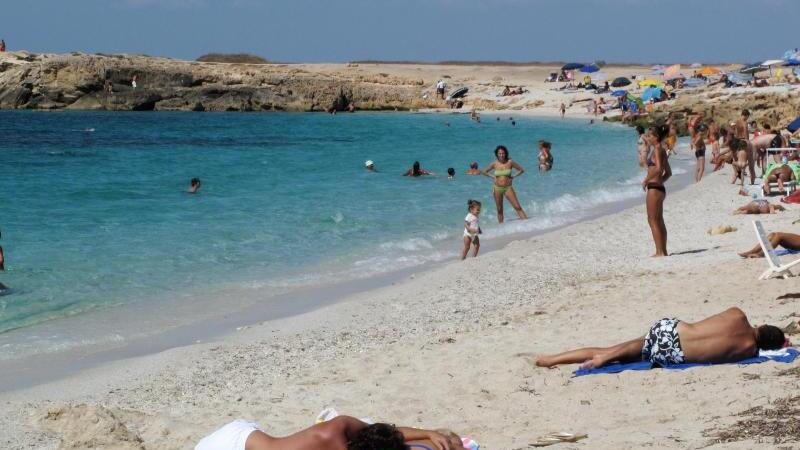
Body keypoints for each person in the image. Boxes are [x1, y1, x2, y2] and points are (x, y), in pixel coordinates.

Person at [535, 307, 785, 369]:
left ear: (761, 325)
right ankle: (604, 357)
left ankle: (553, 359)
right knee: (625, 350)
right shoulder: (748, 351)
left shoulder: (738, 314)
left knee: (613, 348)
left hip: (672, 329)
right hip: (674, 354)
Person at [195, 416, 464, 450]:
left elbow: (391, 433)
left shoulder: (346, 426)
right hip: (228, 443)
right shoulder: (336, 431)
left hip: (248, 435)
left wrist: (428, 432)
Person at [642, 125, 672, 257]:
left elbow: (659, 169)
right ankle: (663, 251)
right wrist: (659, 181)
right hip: (660, 188)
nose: (647, 138)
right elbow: (668, 173)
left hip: (654, 189)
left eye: (650, 136)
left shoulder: (657, 150)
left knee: (652, 220)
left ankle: (659, 252)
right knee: (659, 220)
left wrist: (647, 180)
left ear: (656, 137)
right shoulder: (662, 150)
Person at [481, 145, 527, 223]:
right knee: (499, 210)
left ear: (506, 153)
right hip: (497, 188)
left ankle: (527, 224)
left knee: (517, 207)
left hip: (508, 188)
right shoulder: (494, 164)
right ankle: (501, 228)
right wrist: (493, 177)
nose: (501, 155)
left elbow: (521, 170)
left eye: (503, 153)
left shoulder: (510, 162)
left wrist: (513, 177)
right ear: (497, 154)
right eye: (500, 153)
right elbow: (484, 172)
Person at [733, 109, 756, 185]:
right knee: (751, 164)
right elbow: (746, 133)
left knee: (739, 160)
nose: (747, 118)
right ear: (746, 115)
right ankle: (752, 182)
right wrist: (747, 141)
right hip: (745, 141)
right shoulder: (744, 123)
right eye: (747, 117)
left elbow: (735, 134)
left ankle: (738, 176)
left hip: (738, 142)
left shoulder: (736, 122)